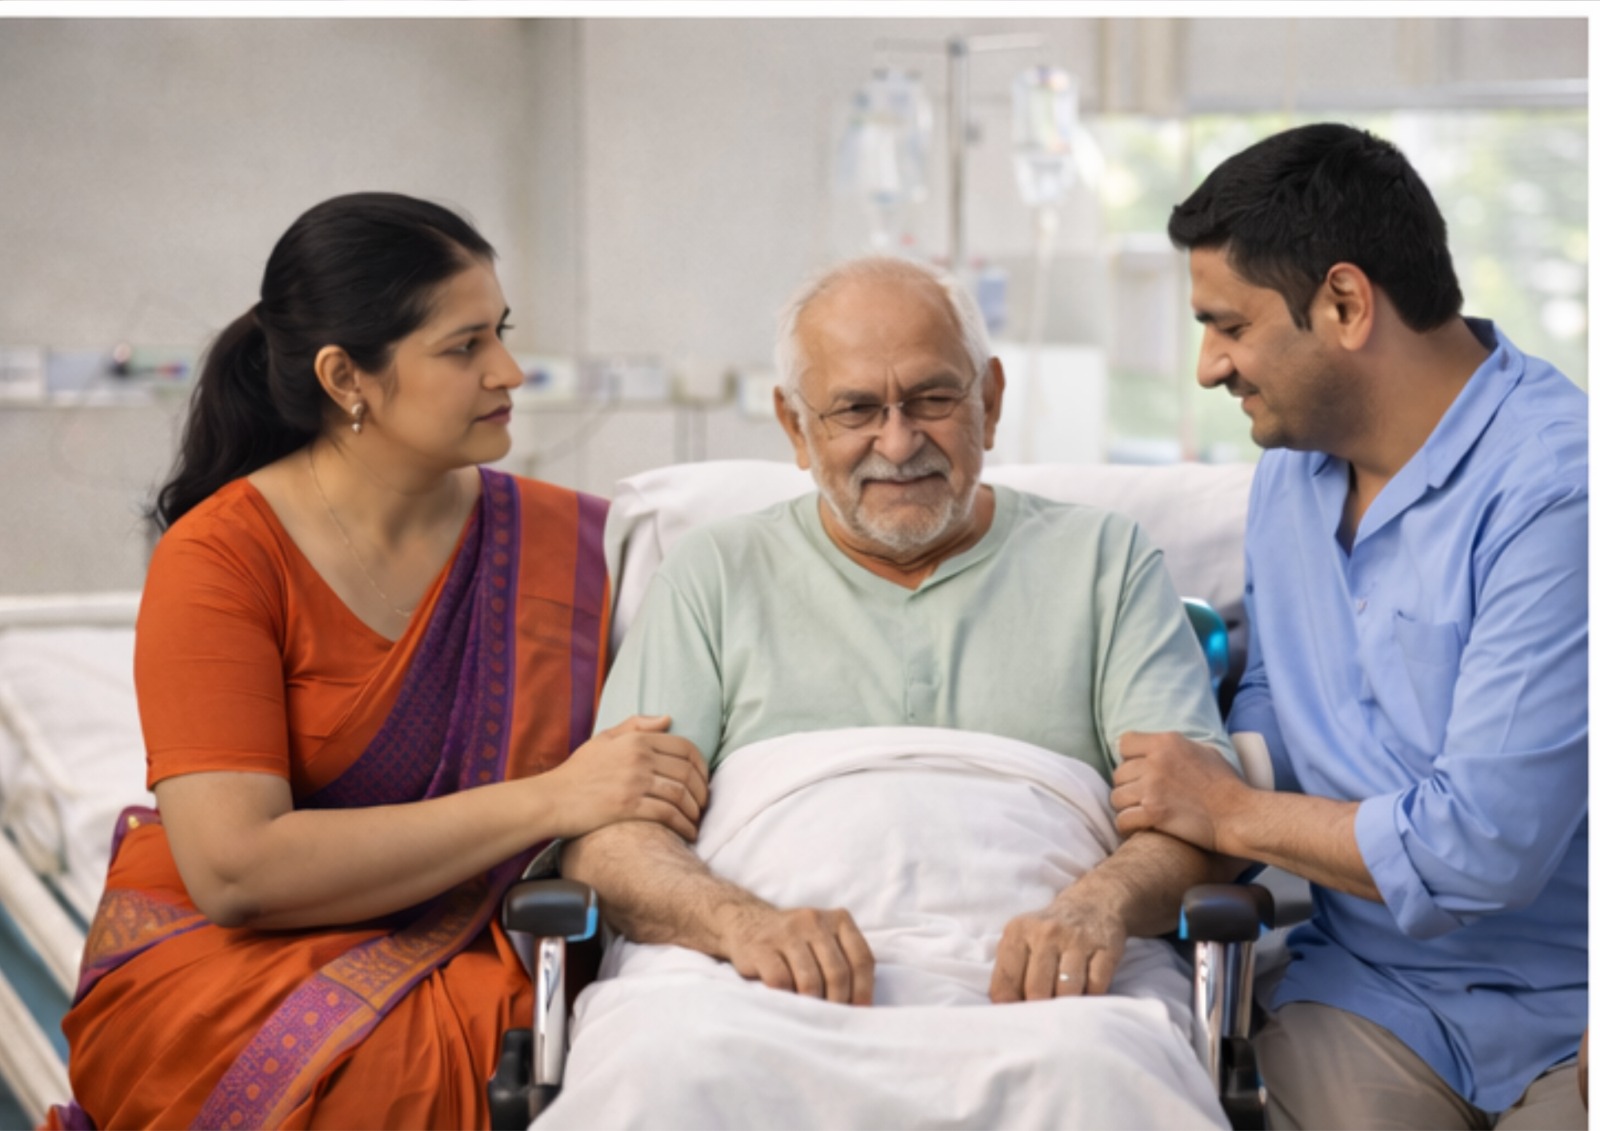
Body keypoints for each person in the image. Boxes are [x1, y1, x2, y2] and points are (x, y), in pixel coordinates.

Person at [48, 193, 708, 1130]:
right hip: (232, 956)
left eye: (502, 334)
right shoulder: (222, 559)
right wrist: (558, 796)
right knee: (415, 1076)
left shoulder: (573, 546)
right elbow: (236, 870)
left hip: (490, 938)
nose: (509, 371)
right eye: (464, 346)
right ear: (345, 375)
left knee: (640, 1053)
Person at [540, 256, 1244, 1128]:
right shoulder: (712, 572)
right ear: (794, 427)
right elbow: (610, 840)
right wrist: (739, 923)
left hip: (1045, 988)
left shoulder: (1107, 562)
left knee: (1099, 1075)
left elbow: (1203, 819)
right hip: (742, 976)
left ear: (989, 396)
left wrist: (1094, 907)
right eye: (855, 410)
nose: (899, 441)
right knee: (667, 1062)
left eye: (933, 399)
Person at [1110, 123, 1587, 1130]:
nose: (1208, 367)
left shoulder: (1558, 494)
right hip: (1369, 996)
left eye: (1228, 327)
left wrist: (1228, 809)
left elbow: (1481, 850)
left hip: (1568, 1010)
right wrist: (1186, 783)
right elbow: (1282, 688)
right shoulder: (1291, 468)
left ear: (1343, 303)